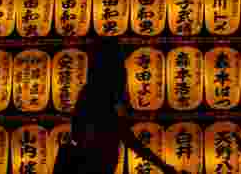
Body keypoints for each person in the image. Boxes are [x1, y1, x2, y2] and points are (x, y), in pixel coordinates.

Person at [55, 40, 177, 174]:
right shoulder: (103, 101)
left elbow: (76, 133)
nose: (124, 72)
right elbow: (127, 137)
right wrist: (162, 166)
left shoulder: (88, 94)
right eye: (120, 66)